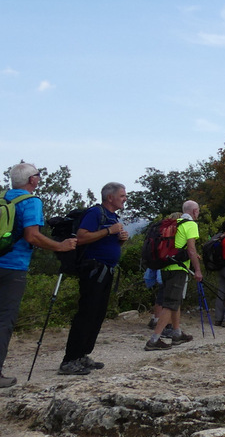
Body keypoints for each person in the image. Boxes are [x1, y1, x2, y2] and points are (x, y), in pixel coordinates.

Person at [1, 163, 78, 387]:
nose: (39, 179)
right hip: (13, 266)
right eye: (38, 176)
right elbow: (32, 236)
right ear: (32, 181)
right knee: (4, 319)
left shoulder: (2, 198)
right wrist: (60, 247)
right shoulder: (31, 201)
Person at [58, 182, 131, 375]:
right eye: (122, 195)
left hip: (106, 270)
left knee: (97, 314)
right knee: (87, 313)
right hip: (93, 269)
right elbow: (81, 238)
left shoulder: (112, 216)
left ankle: (82, 355)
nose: (125, 199)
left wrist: (120, 240)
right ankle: (70, 359)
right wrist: (109, 231)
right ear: (110, 197)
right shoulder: (95, 213)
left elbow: (106, 242)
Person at [143, 200, 202, 351]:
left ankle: (177, 333)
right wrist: (197, 270)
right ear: (194, 211)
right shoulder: (191, 225)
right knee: (170, 303)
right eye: (198, 210)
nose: (199, 213)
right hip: (178, 268)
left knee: (174, 301)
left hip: (165, 267)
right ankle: (154, 340)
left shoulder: (174, 224)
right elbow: (191, 250)